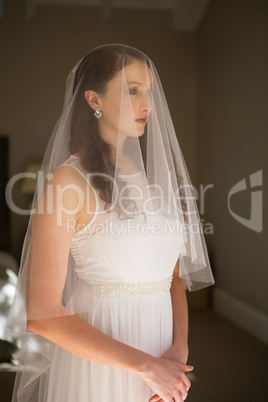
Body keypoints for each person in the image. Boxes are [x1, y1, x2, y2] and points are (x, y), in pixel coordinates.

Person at [4, 44, 214, 402]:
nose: (147, 104)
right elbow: (42, 315)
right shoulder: (67, 183)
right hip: (101, 361)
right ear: (93, 99)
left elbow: (173, 276)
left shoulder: (159, 177)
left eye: (149, 91)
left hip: (163, 361)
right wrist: (145, 366)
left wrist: (178, 351)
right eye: (132, 90)